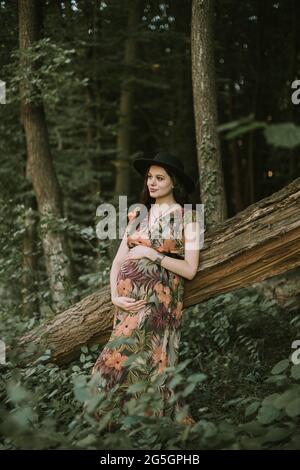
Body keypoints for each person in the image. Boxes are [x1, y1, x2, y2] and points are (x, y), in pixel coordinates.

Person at [89, 152, 201, 426]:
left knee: (149, 363)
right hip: (127, 305)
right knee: (109, 367)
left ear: (174, 182)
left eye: (160, 178)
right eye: (149, 177)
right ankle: (115, 427)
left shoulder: (189, 218)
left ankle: (153, 429)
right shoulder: (138, 214)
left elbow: (190, 269)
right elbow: (118, 261)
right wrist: (115, 296)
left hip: (158, 306)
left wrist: (152, 255)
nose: (152, 182)